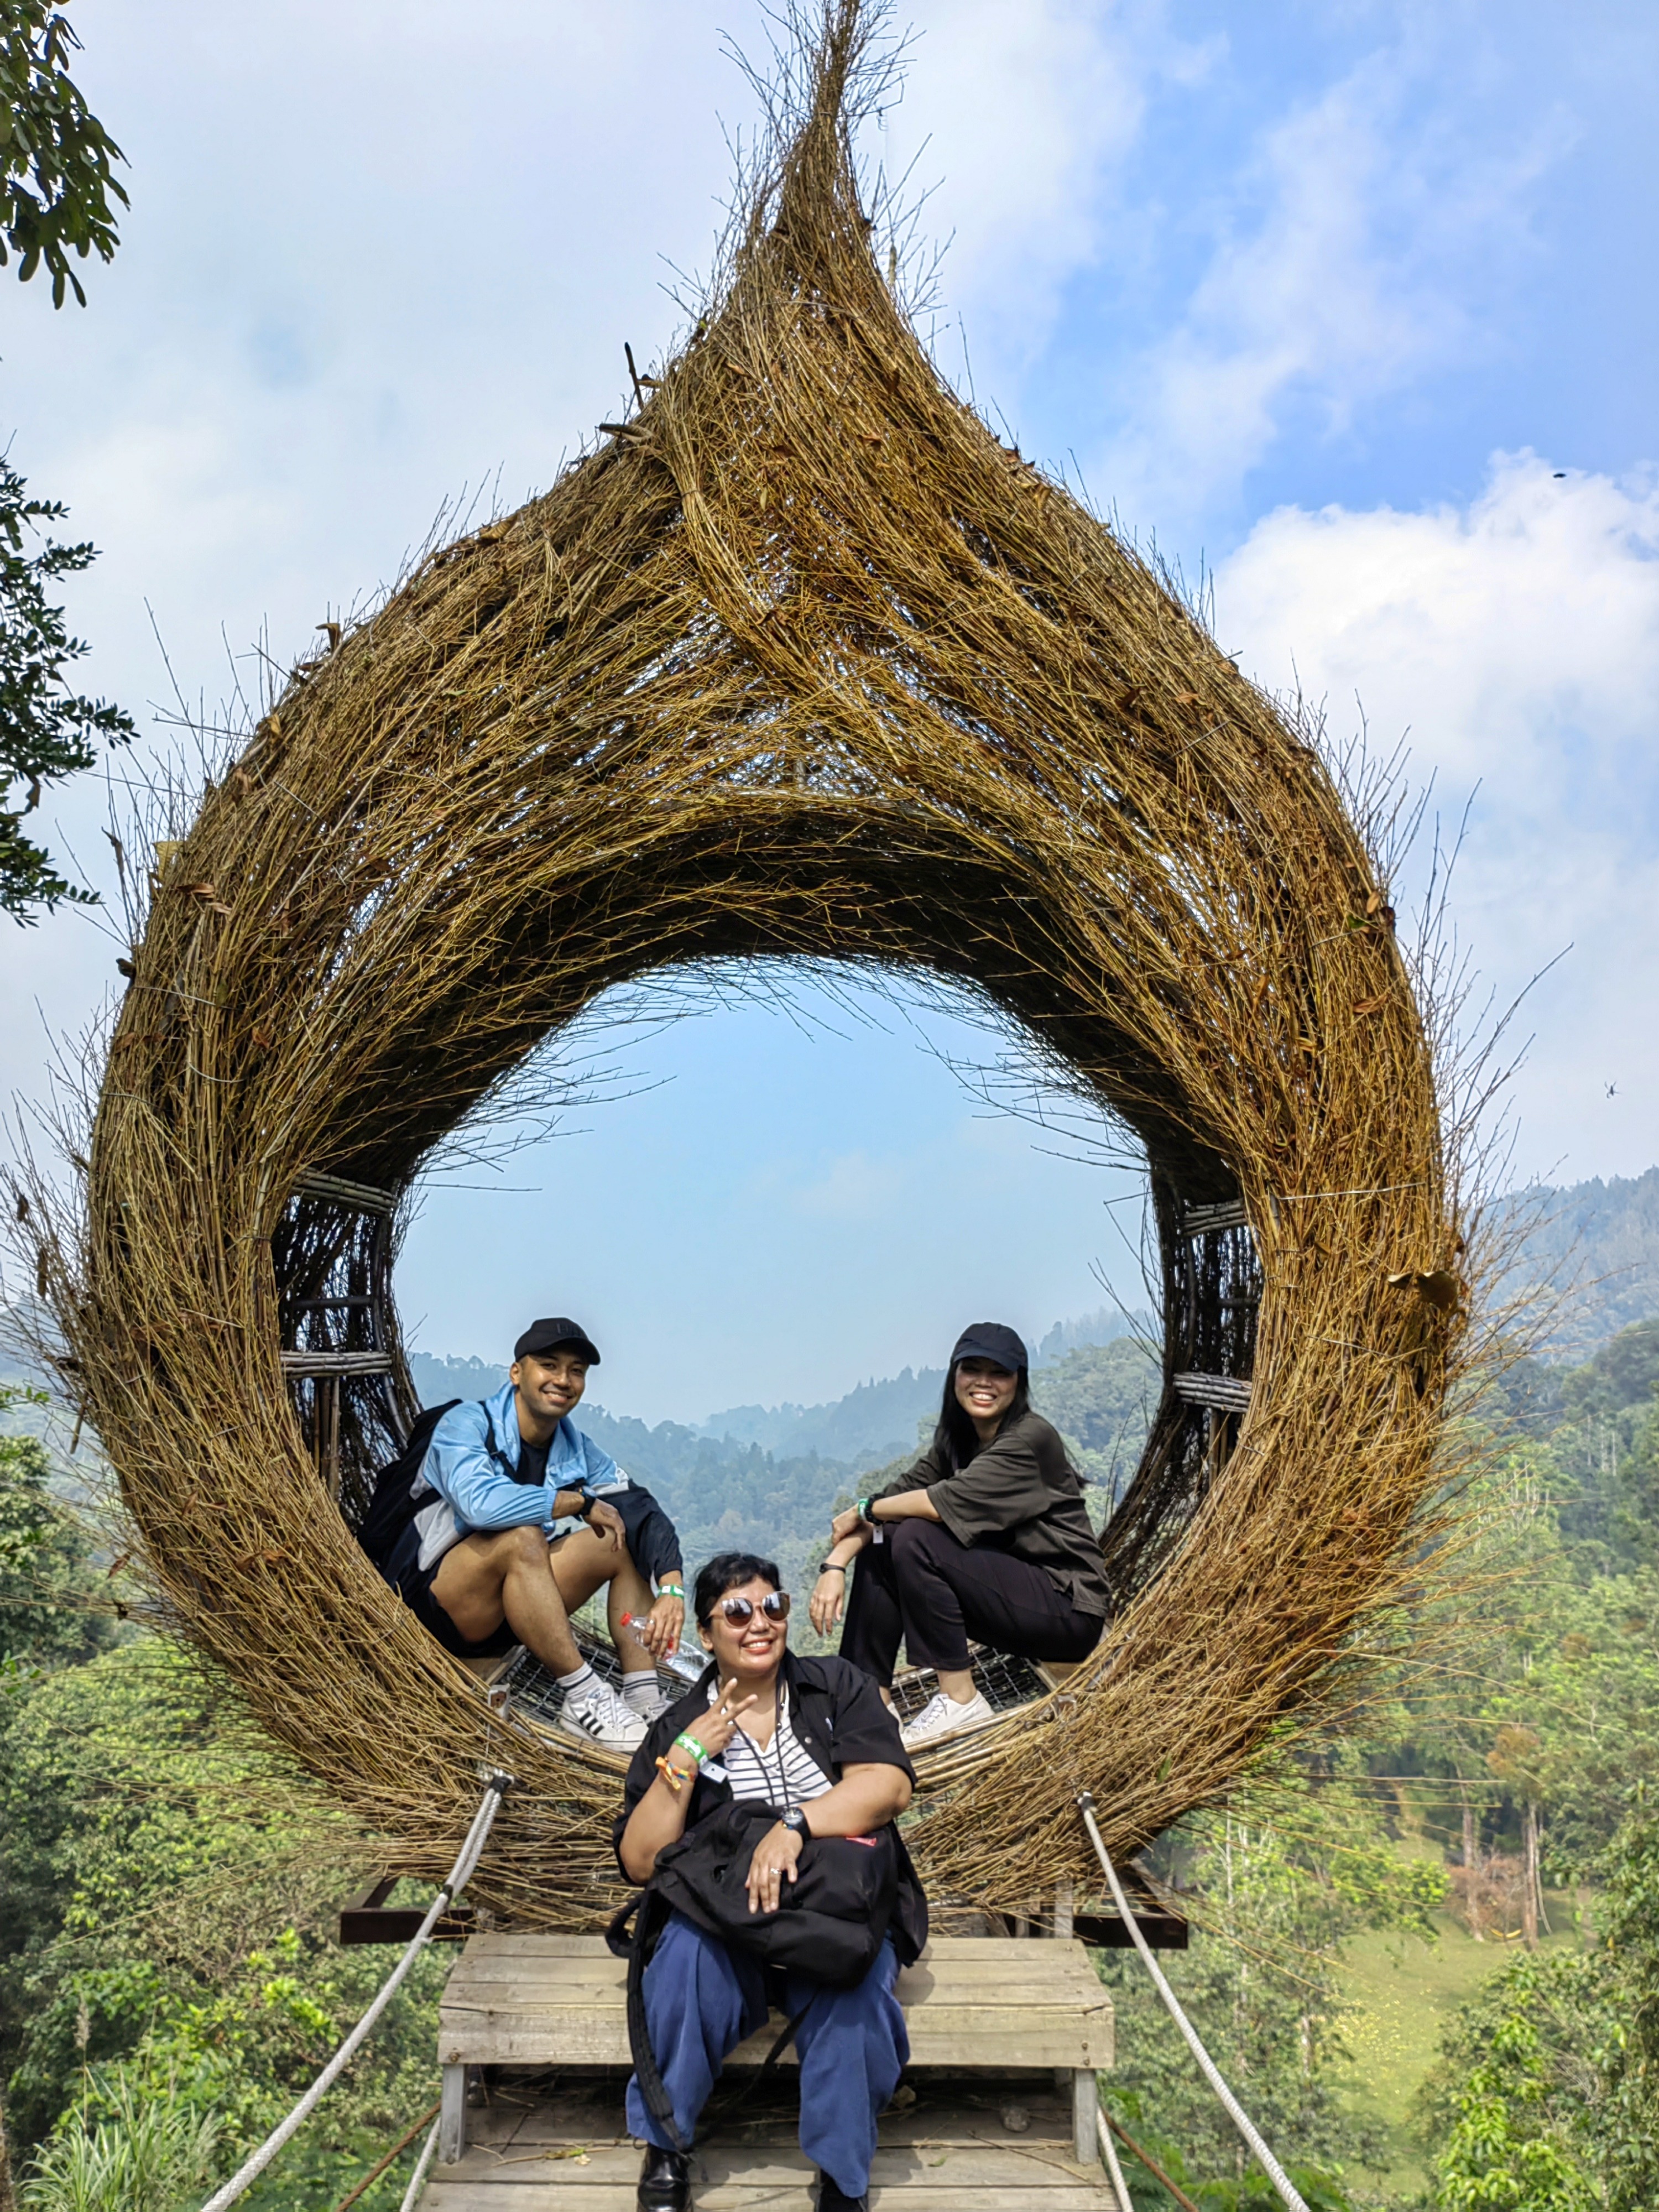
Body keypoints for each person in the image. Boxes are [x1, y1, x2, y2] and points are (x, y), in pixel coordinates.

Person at [615, 1551, 926, 2212]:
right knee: (681, 1966)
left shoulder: (834, 1688)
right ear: (706, 1634)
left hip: (832, 1912)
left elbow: (889, 1784)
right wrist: (686, 1759)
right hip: (732, 1927)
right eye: (736, 1610)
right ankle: (668, 2144)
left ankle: (844, 2177)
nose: (759, 1622)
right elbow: (642, 1861)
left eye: (773, 1606)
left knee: (856, 1991)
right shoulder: (678, 1726)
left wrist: (798, 1824)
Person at [364, 1317, 686, 1751]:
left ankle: (642, 1693)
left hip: (517, 1609)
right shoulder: (466, 1425)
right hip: (436, 1601)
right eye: (549, 1366)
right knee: (523, 1537)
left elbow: (637, 1504)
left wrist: (672, 1586)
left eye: (576, 1371)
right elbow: (481, 1505)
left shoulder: (574, 1447)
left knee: (616, 1534)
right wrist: (577, 1502)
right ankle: (583, 1697)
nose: (563, 1380)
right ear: (518, 1373)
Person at [811, 1321, 1109, 1749]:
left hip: (1068, 1610)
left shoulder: (1030, 1438)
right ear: (955, 1375)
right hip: (1008, 1602)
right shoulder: (957, 1443)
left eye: (999, 1372)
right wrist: (836, 1563)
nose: (984, 1382)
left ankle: (960, 1699)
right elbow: (891, 1505)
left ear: (1018, 1383)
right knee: (890, 1538)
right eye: (973, 1369)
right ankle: (868, 1700)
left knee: (913, 1535)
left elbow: (932, 1504)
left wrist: (863, 1509)